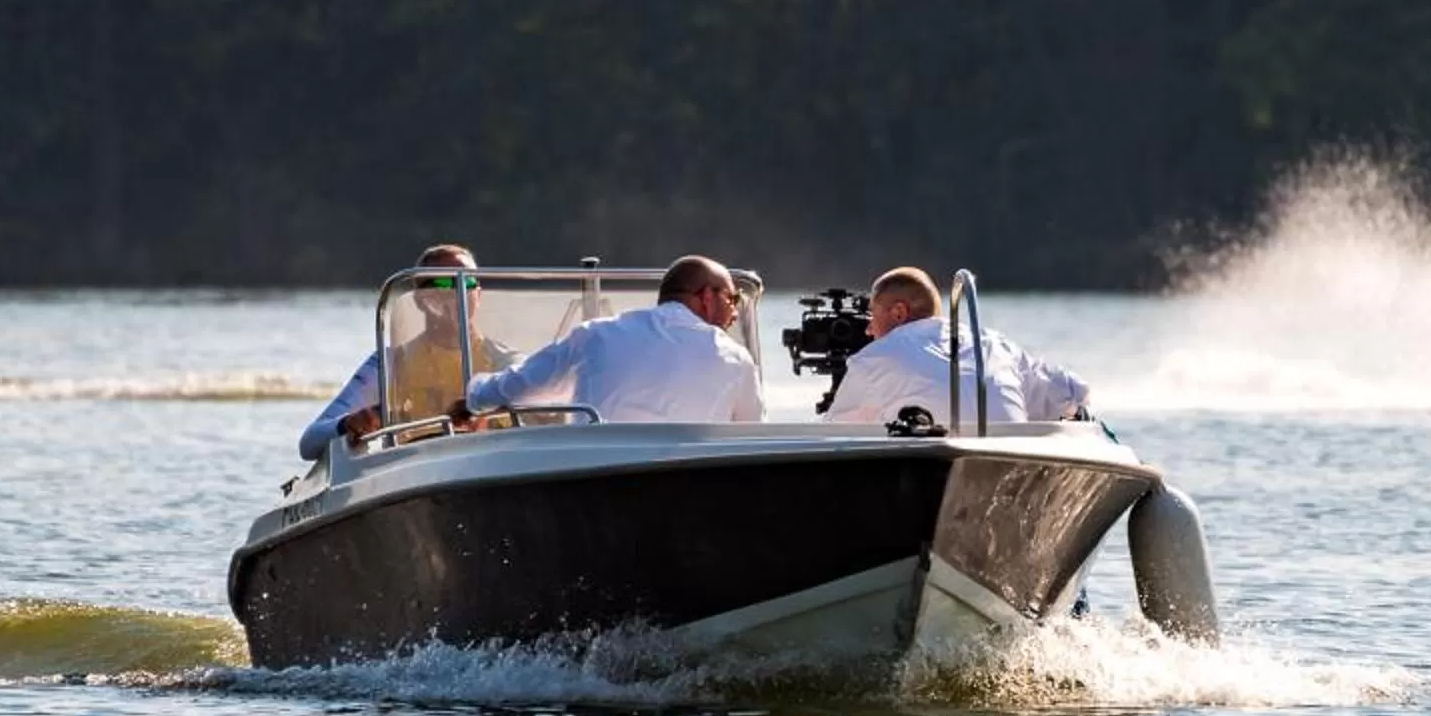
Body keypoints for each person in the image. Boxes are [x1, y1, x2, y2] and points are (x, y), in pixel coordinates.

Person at [459, 254, 765, 425]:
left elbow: (521, 386)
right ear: (707, 297)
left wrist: (472, 401)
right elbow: (752, 436)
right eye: (732, 298)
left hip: (597, 478)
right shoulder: (735, 358)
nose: (735, 311)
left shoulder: (598, 334)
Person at [297, 242, 505, 461]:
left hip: (491, 464)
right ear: (419, 300)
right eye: (442, 284)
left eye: (467, 283)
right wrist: (349, 423)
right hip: (416, 469)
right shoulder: (390, 363)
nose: (456, 293)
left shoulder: (507, 362)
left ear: (479, 295)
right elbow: (310, 442)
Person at [819, 266, 1091, 426]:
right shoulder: (995, 345)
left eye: (872, 316)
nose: (868, 329)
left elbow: (834, 434)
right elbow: (1073, 390)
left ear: (899, 313)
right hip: (1008, 465)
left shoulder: (875, 358)